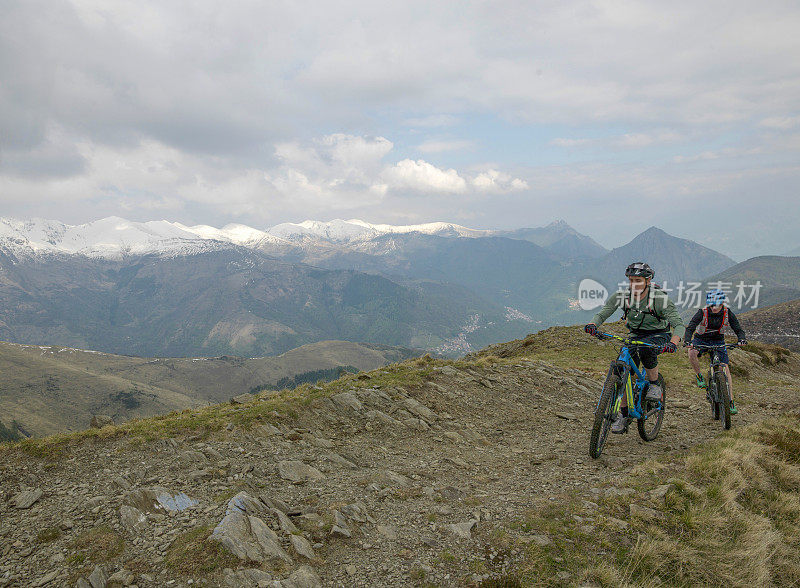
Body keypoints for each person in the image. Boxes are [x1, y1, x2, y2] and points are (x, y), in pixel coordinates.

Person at [584, 262, 685, 433]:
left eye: (638, 280)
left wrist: (673, 343)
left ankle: (654, 384)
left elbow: (679, 325)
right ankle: (623, 415)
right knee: (622, 371)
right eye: (631, 280)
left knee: (646, 351)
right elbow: (604, 312)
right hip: (635, 334)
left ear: (648, 280)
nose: (634, 284)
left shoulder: (660, 299)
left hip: (659, 334)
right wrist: (593, 324)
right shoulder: (622, 296)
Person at [684, 289, 747, 415]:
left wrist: (742, 339)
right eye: (711, 305)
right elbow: (690, 327)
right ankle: (699, 376)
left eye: (716, 305)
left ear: (722, 303)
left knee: (725, 369)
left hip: (718, 341)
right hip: (701, 340)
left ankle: (730, 401)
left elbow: (738, 328)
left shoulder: (727, 312)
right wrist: (687, 341)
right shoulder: (702, 312)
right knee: (691, 352)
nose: (714, 308)